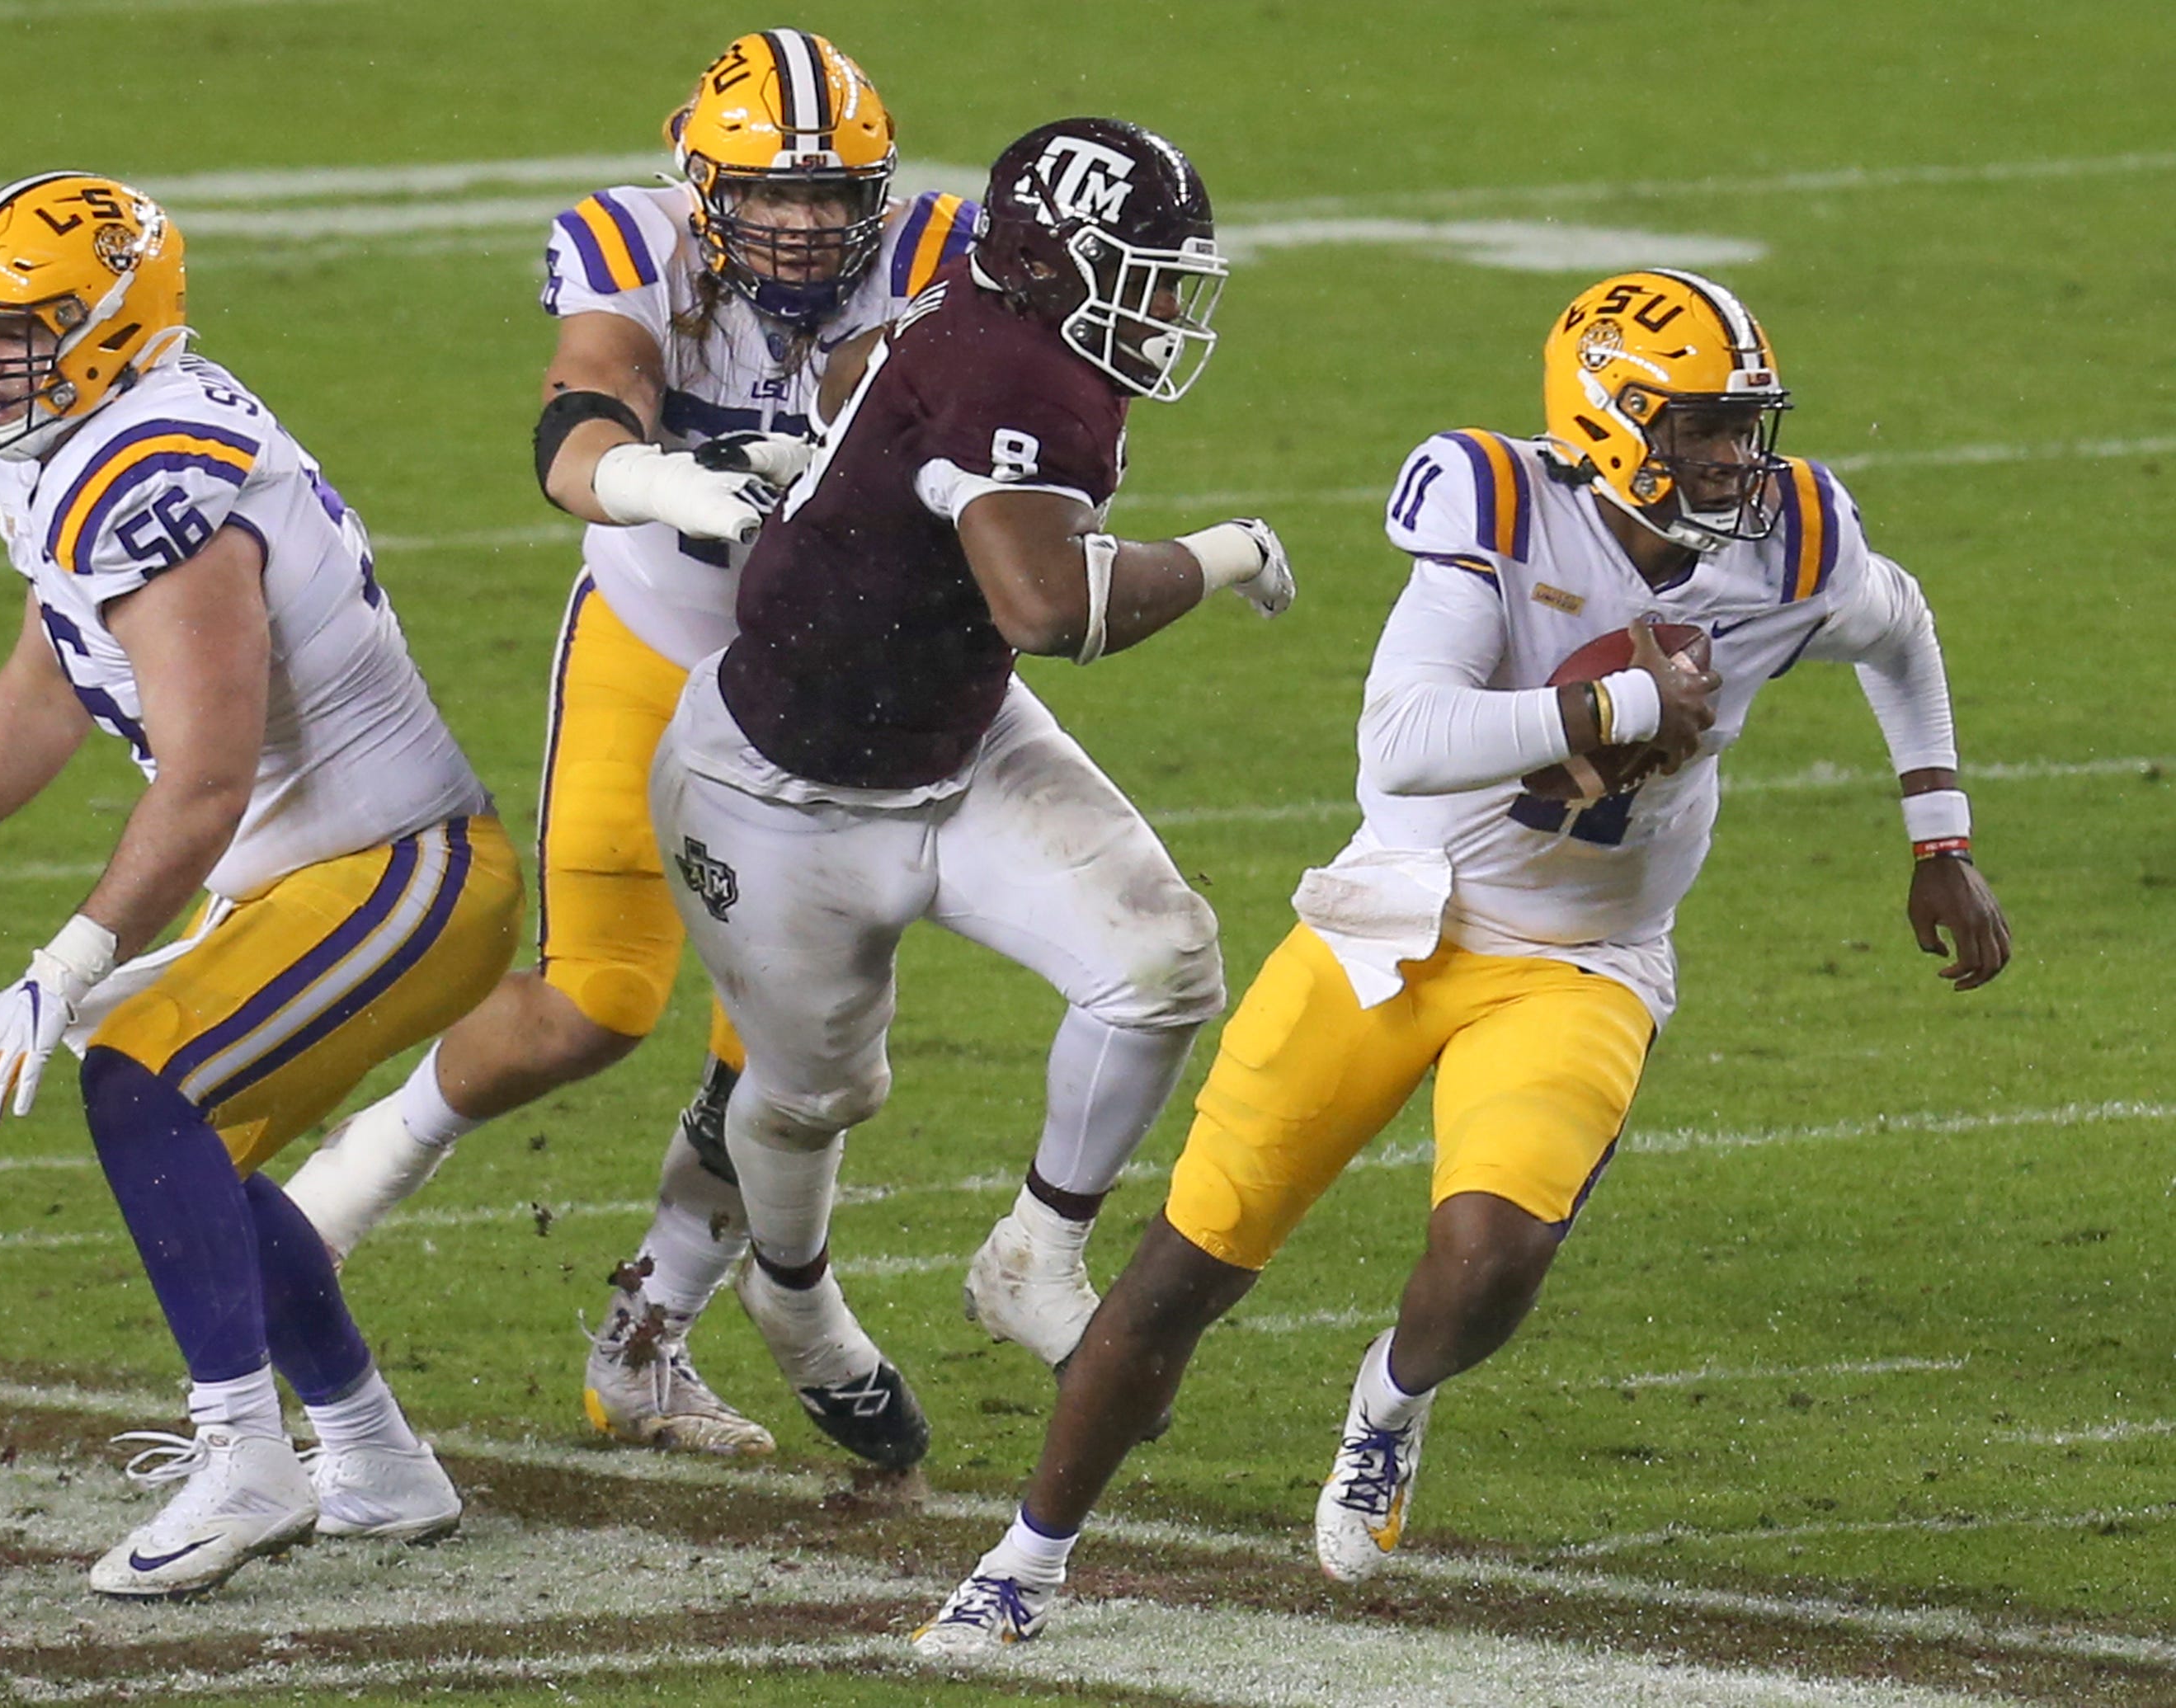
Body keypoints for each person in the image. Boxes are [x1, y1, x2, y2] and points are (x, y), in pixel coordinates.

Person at [913, 266, 2012, 1650]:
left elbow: (1899, 626)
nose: (1737, 457)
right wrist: (1609, 700)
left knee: (1490, 1255)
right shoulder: (1499, 508)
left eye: (1745, 424)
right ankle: (1026, 1559)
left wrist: (1939, 834)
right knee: (1185, 1271)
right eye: (1699, 427)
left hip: (1586, 953)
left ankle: (1391, 1398)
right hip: (1394, 920)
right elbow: (1405, 743)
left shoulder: (1793, 542)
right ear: (1610, 421)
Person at [280, 31, 991, 1461]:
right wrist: (665, 476)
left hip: (831, 687)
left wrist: (860, 419)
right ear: (697, 175)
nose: (801, 221)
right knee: (593, 999)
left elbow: (899, 386)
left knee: (786, 1060)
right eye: (766, 193)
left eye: (830, 193)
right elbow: (581, 406)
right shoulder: (630, 242)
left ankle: (651, 1338)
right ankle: (318, 1215)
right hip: (658, 645)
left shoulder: (933, 252)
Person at [0, 173, 524, 1598]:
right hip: (328, 877)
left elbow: (206, 780)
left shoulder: (148, 475)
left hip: (402, 872)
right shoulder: (75, 445)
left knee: (139, 1079)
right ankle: (373, 1456)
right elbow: (63, 647)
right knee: (187, 1124)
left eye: (19, 330)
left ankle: (245, 1458)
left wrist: (63, 966)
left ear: (110, 323)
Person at [644, 116, 1296, 1471]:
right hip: (777, 796)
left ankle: (1034, 1256)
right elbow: (1053, 606)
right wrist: (1229, 552)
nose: (1164, 302)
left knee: (1162, 959)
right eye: (1142, 266)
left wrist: (872, 462)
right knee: (817, 1096)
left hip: (958, 735)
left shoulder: (994, 317)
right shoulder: (1024, 370)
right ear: (1054, 261)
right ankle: (797, 1297)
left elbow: (863, 372)